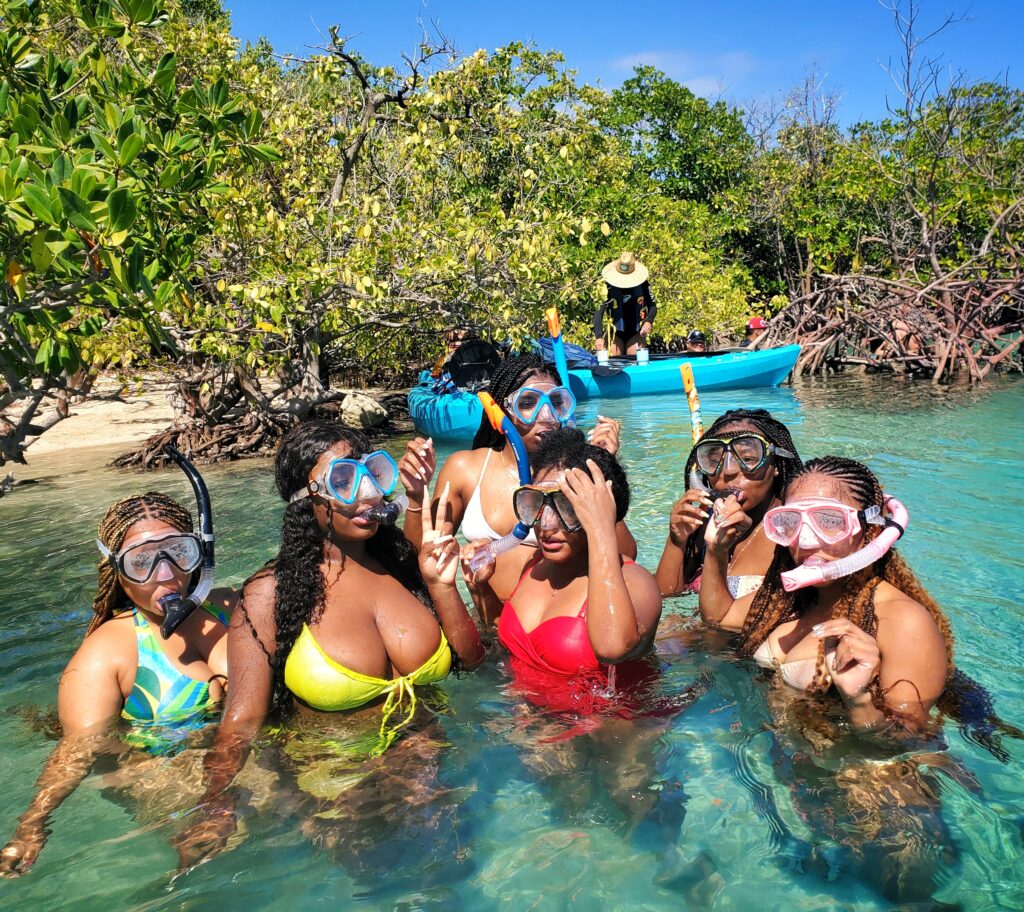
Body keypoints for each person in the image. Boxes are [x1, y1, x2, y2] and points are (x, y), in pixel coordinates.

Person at [174, 421, 485, 868]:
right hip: (339, 794)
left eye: (373, 474)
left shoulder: (400, 566)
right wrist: (217, 804)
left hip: (434, 772)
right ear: (307, 500)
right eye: (342, 480)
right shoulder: (269, 595)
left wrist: (442, 585)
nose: (367, 493)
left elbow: (470, 661)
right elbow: (241, 721)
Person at [0, 492, 234, 877]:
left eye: (178, 551)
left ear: (200, 552)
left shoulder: (226, 607)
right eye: (141, 561)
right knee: (210, 859)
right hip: (166, 780)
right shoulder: (107, 653)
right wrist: (32, 823)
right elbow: (78, 748)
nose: (166, 573)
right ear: (117, 572)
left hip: (240, 764)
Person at [710, 456, 952, 731]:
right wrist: (715, 549)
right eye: (790, 521)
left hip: (852, 773)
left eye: (829, 520)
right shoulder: (791, 597)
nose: (805, 539)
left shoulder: (903, 619)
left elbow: (912, 740)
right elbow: (719, 618)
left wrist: (859, 701)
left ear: (871, 530)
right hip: (775, 760)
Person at [403, 353, 636, 616]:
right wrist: (414, 495)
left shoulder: (574, 471)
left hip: (560, 626)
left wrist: (603, 472)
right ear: (502, 412)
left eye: (556, 403)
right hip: (491, 624)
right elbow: (420, 560)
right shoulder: (466, 469)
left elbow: (626, 559)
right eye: (528, 403)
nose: (546, 416)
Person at [462, 429, 662, 712]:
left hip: (608, 741)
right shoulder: (533, 566)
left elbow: (612, 647)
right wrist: (479, 588)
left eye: (567, 507)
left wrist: (602, 527)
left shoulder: (637, 583)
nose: (545, 525)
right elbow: (502, 633)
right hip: (526, 728)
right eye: (537, 505)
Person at [655, 408, 802, 606]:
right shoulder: (703, 521)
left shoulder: (793, 531)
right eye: (714, 461)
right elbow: (666, 598)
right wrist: (676, 542)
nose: (728, 471)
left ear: (776, 464)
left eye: (748, 459)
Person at [594, 252, 656, 356]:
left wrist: (649, 321)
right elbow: (598, 313)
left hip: (636, 333)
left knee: (635, 361)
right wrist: (599, 337)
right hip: (615, 334)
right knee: (613, 361)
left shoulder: (643, 284)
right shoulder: (607, 285)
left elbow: (653, 306)